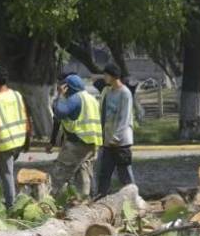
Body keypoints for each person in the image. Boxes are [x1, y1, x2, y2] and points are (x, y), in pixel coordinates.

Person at [48, 73, 102, 198]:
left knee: (59, 173)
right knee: (84, 172)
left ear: (67, 87)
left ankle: (52, 201)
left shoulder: (75, 98)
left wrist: (60, 95)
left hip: (78, 142)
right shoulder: (91, 98)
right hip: (92, 143)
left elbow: (60, 112)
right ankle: (83, 200)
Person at [0, 68, 30, 208]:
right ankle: (16, 198)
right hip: (19, 139)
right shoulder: (16, 95)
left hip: (6, 143)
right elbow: (26, 116)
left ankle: (11, 205)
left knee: (6, 173)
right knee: (10, 170)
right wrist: (28, 138)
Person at [96, 63, 136, 197]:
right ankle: (100, 199)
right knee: (104, 173)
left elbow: (124, 118)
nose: (104, 77)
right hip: (108, 141)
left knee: (124, 173)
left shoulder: (125, 93)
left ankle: (133, 199)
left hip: (121, 142)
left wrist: (116, 137)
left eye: (106, 75)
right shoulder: (108, 92)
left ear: (113, 76)